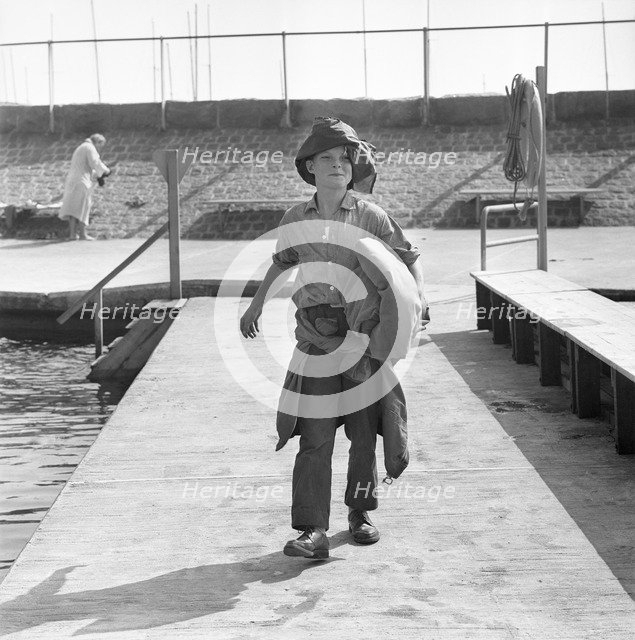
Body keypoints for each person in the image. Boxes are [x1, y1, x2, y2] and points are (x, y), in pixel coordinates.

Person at [240, 117, 429, 560]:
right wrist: (256, 304)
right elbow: (281, 262)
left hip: (362, 337)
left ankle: (360, 513)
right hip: (315, 337)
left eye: (344, 159)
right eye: (325, 158)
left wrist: (417, 298)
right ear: (309, 167)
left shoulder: (371, 215)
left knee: (364, 434)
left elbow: (409, 259)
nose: (337, 165)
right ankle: (312, 530)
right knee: (316, 433)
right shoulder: (295, 218)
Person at [58, 134, 110, 241]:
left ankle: (72, 235)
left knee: (72, 207)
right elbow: (95, 163)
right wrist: (106, 170)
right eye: (100, 145)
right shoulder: (90, 148)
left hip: (72, 180)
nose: (99, 148)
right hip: (81, 181)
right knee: (83, 207)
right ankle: (82, 234)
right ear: (98, 142)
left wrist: (98, 174)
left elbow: (86, 166)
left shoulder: (81, 147)